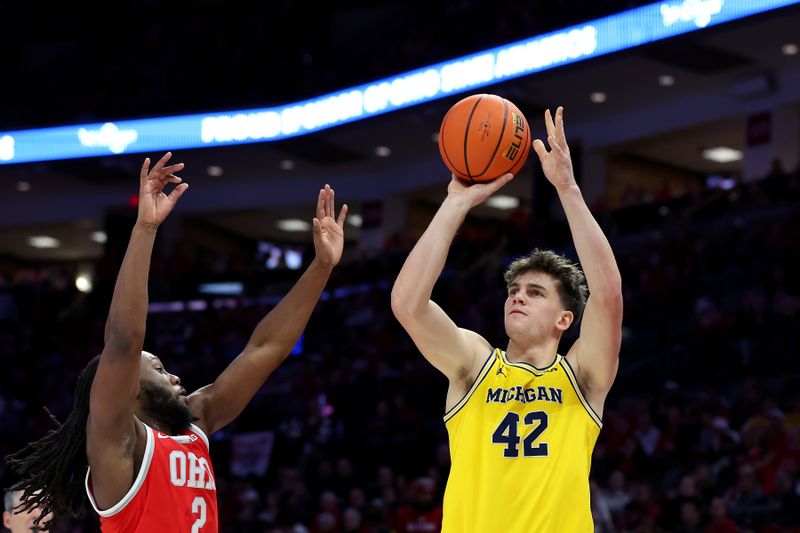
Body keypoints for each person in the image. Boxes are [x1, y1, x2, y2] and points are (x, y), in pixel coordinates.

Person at [6, 152, 348, 531]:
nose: (174, 377)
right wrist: (145, 229)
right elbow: (123, 342)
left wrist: (321, 268)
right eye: (157, 368)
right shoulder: (117, 444)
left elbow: (264, 350)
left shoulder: (196, 423)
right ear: (128, 387)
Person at [391, 107, 623, 531]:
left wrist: (568, 189)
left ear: (564, 320)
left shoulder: (583, 377)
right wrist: (455, 202)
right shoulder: (474, 365)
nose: (518, 297)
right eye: (514, 291)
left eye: (535, 293)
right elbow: (408, 303)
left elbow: (608, 295)